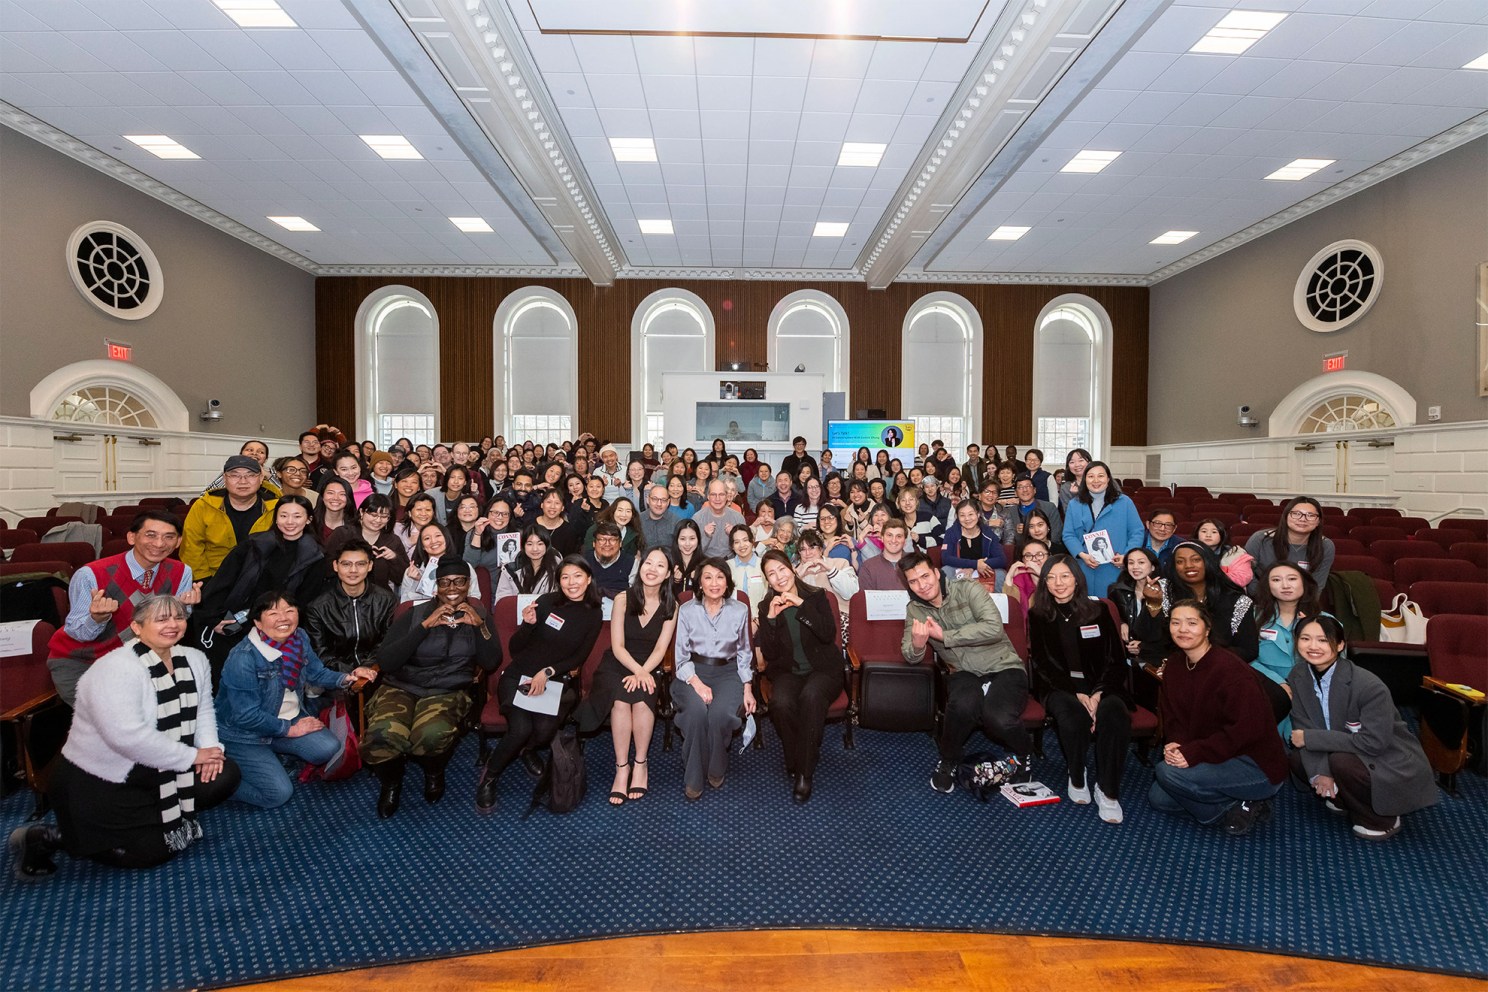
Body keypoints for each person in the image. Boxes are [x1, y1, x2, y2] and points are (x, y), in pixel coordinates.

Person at [12, 595, 241, 879]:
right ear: (136, 627)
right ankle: (49, 837)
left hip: (156, 765)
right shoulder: (116, 668)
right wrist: (193, 756)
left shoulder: (194, 659)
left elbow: (203, 708)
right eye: (161, 619)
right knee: (151, 852)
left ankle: (154, 812)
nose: (172, 625)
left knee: (224, 773)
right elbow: (127, 738)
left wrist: (210, 749)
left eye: (178, 617)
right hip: (102, 775)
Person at [215, 591, 377, 808]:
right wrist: (290, 731)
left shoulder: (299, 637)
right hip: (245, 733)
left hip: (285, 720)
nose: (284, 618)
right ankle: (226, 780)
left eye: (289, 611)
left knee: (327, 749)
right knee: (278, 794)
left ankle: (272, 755)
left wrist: (348, 678)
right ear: (258, 623)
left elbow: (316, 673)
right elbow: (245, 716)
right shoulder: (243, 658)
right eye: (273, 613)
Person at [364, 560, 501, 817]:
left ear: (467, 584)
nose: (452, 588)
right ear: (436, 587)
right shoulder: (415, 613)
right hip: (402, 686)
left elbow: (491, 663)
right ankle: (391, 783)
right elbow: (387, 660)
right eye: (445, 582)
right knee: (381, 734)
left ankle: (433, 772)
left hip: (447, 690)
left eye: (459, 581)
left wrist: (479, 627)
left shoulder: (479, 615)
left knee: (430, 734)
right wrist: (424, 627)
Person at [1286, 616, 1437, 841]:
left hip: (1387, 756)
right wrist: (1322, 772)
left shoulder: (1368, 685)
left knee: (1340, 761)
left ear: (1339, 645)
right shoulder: (1298, 675)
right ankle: (1343, 797)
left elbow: (1373, 743)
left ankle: (1382, 819)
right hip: (1344, 748)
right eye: (1305, 639)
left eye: (1323, 640)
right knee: (1297, 757)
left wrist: (1312, 738)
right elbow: (1303, 726)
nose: (1313, 646)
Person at [475, 556, 603, 813]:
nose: (571, 582)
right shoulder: (545, 602)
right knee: (520, 728)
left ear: (588, 579)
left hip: (551, 680)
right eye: (565, 577)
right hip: (517, 676)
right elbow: (515, 648)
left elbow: (578, 657)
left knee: (544, 731)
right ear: (559, 581)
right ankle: (490, 776)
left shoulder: (593, 614)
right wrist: (527, 626)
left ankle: (527, 751)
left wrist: (548, 672)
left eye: (577, 576)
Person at [1148, 602, 1286, 836]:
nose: (1183, 629)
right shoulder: (1173, 665)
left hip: (1253, 762)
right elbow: (1173, 716)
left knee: (1167, 774)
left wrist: (1193, 753)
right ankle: (1238, 804)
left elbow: (1246, 730)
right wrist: (1177, 742)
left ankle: (1247, 800)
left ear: (1207, 628)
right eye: (1175, 622)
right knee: (1159, 799)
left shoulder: (1230, 669)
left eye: (1192, 623)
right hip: (1214, 753)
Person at [901, 552, 1032, 793]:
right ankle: (949, 759)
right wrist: (918, 645)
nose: (922, 585)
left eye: (925, 576)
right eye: (913, 581)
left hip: (1003, 665)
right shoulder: (915, 610)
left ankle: (1024, 752)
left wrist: (946, 637)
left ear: (936, 573)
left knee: (998, 718)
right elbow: (910, 654)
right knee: (962, 706)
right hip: (964, 671)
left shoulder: (968, 588)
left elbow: (993, 628)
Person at [47, 510, 202, 707]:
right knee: (114, 717)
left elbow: (169, 629)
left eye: (168, 537)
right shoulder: (91, 574)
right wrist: (97, 619)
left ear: (178, 542)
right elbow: (78, 633)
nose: (159, 544)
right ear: (131, 537)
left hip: (140, 662)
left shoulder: (182, 572)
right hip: (84, 662)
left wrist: (185, 609)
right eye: (151, 535)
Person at [1027, 555, 1133, 823]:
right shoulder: (1038, 614)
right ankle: (1077, 773)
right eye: (1050, 578)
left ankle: (1108, 790)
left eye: (1064, 576)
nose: (1057, 583)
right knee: (1072, 715)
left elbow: (1116, 660)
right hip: (1059, 684)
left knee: (1114, 714)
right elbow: (1041, 663)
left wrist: (1097, 692)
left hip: (1103, 683)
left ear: (1076, 578)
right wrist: (1077, 692)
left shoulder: (1098, 611)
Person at [581, 548, 678, 806]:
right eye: (648, 562)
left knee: (643, 700)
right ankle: (622, 767)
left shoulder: (672, 605)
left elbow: (661, 649)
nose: (652, 569)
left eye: (660, 566)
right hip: (618, 663)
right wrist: (638, 671)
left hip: (650, 664)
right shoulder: (624, 598)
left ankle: (641, 763)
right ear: (640, 565)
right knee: (622, 702)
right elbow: (617, 645)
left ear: (668, 574)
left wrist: (645, 671)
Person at [195, 495, 324, 672]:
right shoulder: (254, 544)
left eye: (297, 516)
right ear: (276, 518)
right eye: (283, 515)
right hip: (239, 620)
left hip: (283, 627)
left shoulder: (316, 556)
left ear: (308, 519)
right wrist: (215, 617)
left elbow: (309, 601)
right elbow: (224, 580)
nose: (289, 522)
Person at [756, 550, 844, 803]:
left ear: (792, 568)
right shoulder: (766, 606)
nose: (779, 577)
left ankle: (804, 772)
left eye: (781, 569)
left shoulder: (816, 597)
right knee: (780, 704)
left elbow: (828, 634)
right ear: (767, 581)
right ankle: (796, 755)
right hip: (789, 671)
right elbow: (770, 655)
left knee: (811, 697)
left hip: (823, 670)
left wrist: (801, 606)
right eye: (771, 574)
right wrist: (770, 621)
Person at [671, 558, 756, 799]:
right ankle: (694, 777)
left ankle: (716, 766)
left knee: (720, 715)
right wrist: (697, 683)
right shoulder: (687, 610)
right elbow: (680, 657)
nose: (714, 583)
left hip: (728, 672)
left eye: (720, 577)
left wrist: (748, 688)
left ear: (728, 581)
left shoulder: (740, 610)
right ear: (699, 583)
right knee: (696, 713)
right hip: (692, 671)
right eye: (708, 577)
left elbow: (744, 653)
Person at [304, 539, 396, 675]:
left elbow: (389, 642)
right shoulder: (318, 607)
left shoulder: (386, 600)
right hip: (335, 675)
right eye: (346, 564)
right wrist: (352, 672)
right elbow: (319, 652)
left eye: (360, 564)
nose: (353, 570)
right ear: (335, 565)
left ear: (370, 565)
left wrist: (367, 667)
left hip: (377, 670)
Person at [1252, 561, 1323, 735]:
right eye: (1276, 580)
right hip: (1265, 691)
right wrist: (1278, 683)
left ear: (1304, 583)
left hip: (1312, 694)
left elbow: (1336, 667)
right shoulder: (1252, 617)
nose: (1285, 585)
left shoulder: (1326, 622)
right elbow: (1244, 657)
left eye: (1292, 579)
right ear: (1267, 586)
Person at [182, 455, 278, 583]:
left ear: (261, 478)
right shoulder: (204, 505)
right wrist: (203, 581)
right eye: (235, 475)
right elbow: (191, 546)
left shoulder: (277, 508)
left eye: (250, 475)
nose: (243, 481)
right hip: (214, 577)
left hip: (260, 578)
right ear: (224, 478)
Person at [1061, 461, 1145, 597]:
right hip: (1084, 566)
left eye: (1100, 476)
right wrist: (1082, 554)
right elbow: (1068, 534)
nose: (1095, 480)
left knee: (1113, 611)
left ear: (1108, 479)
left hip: (1116, 567)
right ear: (1084, 479)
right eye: (1090, 476)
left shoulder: (1124, 502)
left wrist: (1127, 556)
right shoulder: (1074, 504)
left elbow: (1137, 532)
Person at [1168, 541, 1259, 661]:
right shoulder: (1165, 593)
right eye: (1180, 561)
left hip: (1221, 669)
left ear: (1208, 561)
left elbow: (1249, 650)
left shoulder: (1237, 601)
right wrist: (1152, 605)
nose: (1188, 565)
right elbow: (1154, 642)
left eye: (1196, 560)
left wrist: (1204, 658)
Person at [1243, 496, 1336, 594]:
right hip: (1261, 598)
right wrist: (1268, 600)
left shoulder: (1325, 546)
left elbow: (1316, 585)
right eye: (1296, 514)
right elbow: (1246, 574)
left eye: (1310, 515)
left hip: (1301, 602)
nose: (1303, 519)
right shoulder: (1260, 539)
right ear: (1286, 516)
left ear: (1318, 521)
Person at [1108, 547, 1171, 670]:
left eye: (1141, 562)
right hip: (1127, 654)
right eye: (1131, 563)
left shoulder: (1167, 590)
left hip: (1157, 655)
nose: (1135, 567)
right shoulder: (1117, 590)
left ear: (1153, 567)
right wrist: (1121, 623)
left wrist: (1144, 646)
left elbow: (1167, 629)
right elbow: (1111, 616)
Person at [400, 523, 480, 605]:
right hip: (423, 616)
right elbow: (405, 605)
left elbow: (474, 598)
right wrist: (419, 581)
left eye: (438, 536)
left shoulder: (464, 567)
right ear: (422, 546)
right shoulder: (412, 571)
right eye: (427, 538)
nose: (433, 541)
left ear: (447, 539)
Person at [940, 499, 1008, 587]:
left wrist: (976, 567)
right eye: (962, 515)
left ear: (978, 514)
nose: (967, 519)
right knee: (945, 571)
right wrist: (975, 564)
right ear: (957, 517)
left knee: (1000, 574)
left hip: (982, 571)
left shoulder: (987, 533)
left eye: (971, 514)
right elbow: (945, 558)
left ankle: (994, 600)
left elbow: (1001, 559)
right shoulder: (951, 533)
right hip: (959, 570)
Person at [495, 525, 561, 600]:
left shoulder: (558, 567)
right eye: (529, 544)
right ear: (523, 546)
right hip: (518, 610)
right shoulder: (510, 569)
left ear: (547, 545)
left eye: (540, 544)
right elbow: (503, 601)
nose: (535, 549)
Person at [1194, 518, 1255, 590]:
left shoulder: (1236, 553)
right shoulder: (1187, 551)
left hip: (1228, 594)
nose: (1208, 535)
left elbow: (1242, 579)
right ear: (1197, 534)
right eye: (1204, 531)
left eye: (1214, 532)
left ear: (1222, 534)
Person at [695, 479, 747, 558]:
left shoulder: (738, 518)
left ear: (727, 496)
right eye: (713, 494)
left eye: (721, 494)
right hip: (706, 561)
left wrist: (733, 536)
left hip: (731, 562)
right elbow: (694, 553)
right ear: (708, 496)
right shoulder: (698, 518)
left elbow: (745, 550)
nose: (717, 498)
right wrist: (706, 536)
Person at [585, 522, 635, 598]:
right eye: (602, 539)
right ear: (594, 543)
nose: (607, 544)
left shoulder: (632, 563)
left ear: (620, 543)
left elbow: (634, 595)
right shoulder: (584, 561)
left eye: (613, 540)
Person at [858, 517, 909, 590]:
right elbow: (866, 598)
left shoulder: (915, 563)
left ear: (905, 541)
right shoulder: (868, 567)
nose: (894, 540)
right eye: (889, 535)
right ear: (882, 538)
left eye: (899, 536)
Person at [727, 524, 768, 606]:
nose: (742, 545)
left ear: (752, 541)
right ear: (732, 546)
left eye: (745, 540)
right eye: (737, 542)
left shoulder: (764, 564)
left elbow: (767, 595)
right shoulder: (726, 566)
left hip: (760, 616)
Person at [639, 483, 682, 550]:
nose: (659, 504)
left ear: (668, 502)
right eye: (655, 499)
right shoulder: (638, 520)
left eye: (663, 500)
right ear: (647, 500)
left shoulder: (676, 522)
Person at [670, 519, 705, 597]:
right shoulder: (668, 562)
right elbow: (661, 593)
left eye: (692, 538)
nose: (687, 544)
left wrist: (696, 581)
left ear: (698, 540)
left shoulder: (706, 564)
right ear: (676, 540)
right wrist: (673, 581)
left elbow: (708, 596)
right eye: (682, 539)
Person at [1059, 448, 1091, 513]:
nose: (1077, 465)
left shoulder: (1101, 482)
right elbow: (1069, 513)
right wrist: (1075, 496)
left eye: (1081, 460)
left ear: (1089, 463)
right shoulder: (1066, 487)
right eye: (1072, 462)